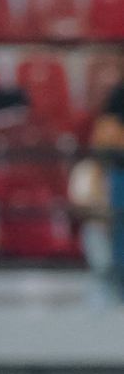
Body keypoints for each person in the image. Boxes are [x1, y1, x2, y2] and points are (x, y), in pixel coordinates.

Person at [69, 69, 124, 305]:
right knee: (99, 233)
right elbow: (80, 205)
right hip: (102, 223)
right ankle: (108, 289)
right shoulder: (88, 169)